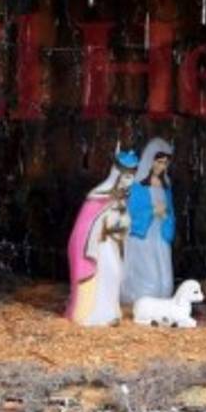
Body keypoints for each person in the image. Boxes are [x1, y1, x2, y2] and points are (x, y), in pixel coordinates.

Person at [65, 149, 138, 326]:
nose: (130, 181)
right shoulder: (98, 197)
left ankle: (111, 311)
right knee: (104, 275)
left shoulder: (123, 197)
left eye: (132, 176)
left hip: (114, 244)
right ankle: (95, 313)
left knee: (115, 276)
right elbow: (85, 227)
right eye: (126, 176)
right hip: (100, 248)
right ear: (117, 174)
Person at [120, 138, 176, 305]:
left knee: (164, 279)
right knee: (149, 277)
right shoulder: (137, 187)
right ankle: (141, 300)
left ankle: (161, 300)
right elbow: (132, 214)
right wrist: (152, 211)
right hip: (143, 237)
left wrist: (166, 216)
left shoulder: (165, 186)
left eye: (165, 163)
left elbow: (171, 211)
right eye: (159, 162)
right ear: (150, 161)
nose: (161, 167)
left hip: (160, 235)